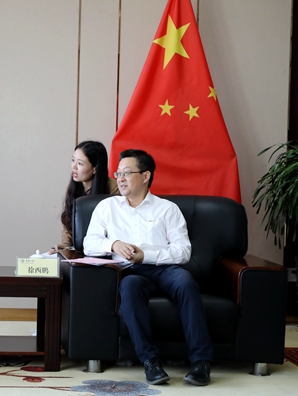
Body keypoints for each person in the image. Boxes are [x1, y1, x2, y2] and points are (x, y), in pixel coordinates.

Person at [83, 149, 212, 386]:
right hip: (131, 272)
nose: (120, 178)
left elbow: (183, 251)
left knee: (186, 283)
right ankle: (150, 362)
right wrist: (113, 243)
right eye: (118, 173)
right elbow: (88, 244)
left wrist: (146, 255)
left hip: (166, 269)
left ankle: (201, 362)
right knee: (129, 288)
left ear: (145, 176)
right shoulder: (107, 207)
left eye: (127, 173)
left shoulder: (167, 209)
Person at [50, 141, 118, 254]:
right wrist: (66, 243)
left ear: (95, 168)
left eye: (80, 163)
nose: (74, 167)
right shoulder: (74, 186)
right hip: (80, 250)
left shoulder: (114, 189)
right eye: (73, 160)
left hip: (105, 251)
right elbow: (69, 221)